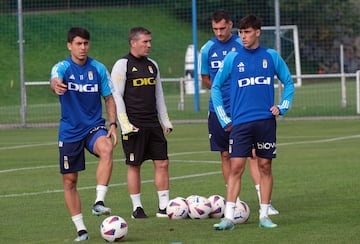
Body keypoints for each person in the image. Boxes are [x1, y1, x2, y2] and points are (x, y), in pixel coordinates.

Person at [212, 14, 295, 230]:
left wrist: (282, 106)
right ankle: (228, 218)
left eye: (247, 32)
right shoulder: (232, 58)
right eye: (241, 32)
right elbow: (215, 87)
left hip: (266, 122)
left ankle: (264, 216)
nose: (243, 36)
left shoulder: (271, 56)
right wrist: (223, 117)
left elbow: (288, 82)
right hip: (240, 123)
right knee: (236, 167)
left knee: (265, 166)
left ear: (258, 32)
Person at [200, 9, 278, 214]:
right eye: (215, 29)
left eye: (222, 28)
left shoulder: (240, 46)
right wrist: (222, 92)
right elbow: (206, 79)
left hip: (242, 110)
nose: (219, 32)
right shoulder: (207, 49)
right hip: (218, 111)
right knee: (226, 156)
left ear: (230, 25)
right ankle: (234, 203)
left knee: (254, 155)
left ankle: (264, 201)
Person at [50, 27, 118, 241]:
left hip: (93, 127)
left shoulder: (98, 68)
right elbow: (54, 80)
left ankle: (99, 202)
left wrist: (113, 124)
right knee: (70, 181)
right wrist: (56, 86)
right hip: (70, 131)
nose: (83, 48)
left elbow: (109, 97)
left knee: (107, 148)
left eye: (85, 43)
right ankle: (81, 229)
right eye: (78, 44)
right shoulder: (62, 67)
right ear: (69, 45)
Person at [110, 27, 173, 219]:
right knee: (134, 165)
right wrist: (125, 124)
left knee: (162, 162)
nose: (149, 45)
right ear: (133, 42)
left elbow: (159, 94)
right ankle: (137, 208)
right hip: (133, 125)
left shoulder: (153, 65)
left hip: (152, 124)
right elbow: (116, 96)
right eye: (145, 42)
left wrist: (165, 120)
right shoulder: (122, 65)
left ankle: (164, 207)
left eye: (150, 41)